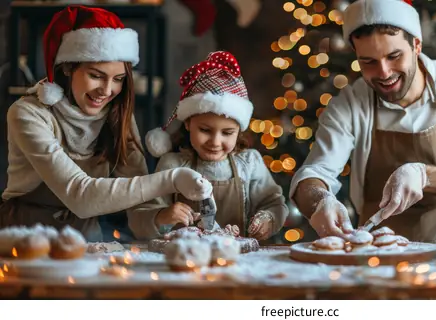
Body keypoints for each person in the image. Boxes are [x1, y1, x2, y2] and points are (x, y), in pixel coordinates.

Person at [289, 0, 436, 243]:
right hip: (372, 256)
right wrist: (320, 202)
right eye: (368, 61)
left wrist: (423, 175)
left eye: (394, 56)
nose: (384, 72)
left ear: (417, 45)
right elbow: (311, 176)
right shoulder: (349, 103)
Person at [0, 6, 209, 242]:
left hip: (87, 243)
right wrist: (170, 180)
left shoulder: (117, 115)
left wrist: (159, 217)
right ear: (68, 67)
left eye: (118, 79)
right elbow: (80, 196)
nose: (107, 91)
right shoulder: (27, 113)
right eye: (96, 76)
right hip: (23, 242)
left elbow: (139, 205)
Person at [142, 51, 289, 240]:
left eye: (227, 133)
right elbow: (143, 215)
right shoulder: (172, 164)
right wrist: (162, 217)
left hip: (238, 262)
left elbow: (274, 203)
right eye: (205, 130)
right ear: (188, 123)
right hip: (185, 260)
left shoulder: (250, 163)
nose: (215, 142)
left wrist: (268, 219)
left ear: (239, 130)